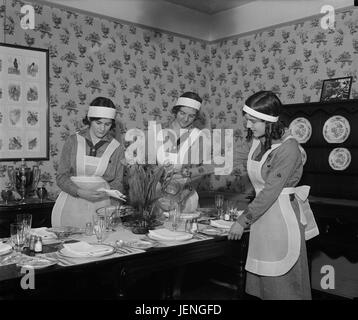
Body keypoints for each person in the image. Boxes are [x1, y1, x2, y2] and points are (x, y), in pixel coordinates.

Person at [228, 91, 319, 300]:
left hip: (281, 219)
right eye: (247, 120)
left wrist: (243, 221)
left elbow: (270, 191)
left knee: (283, 287)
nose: (248, 126)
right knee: (263, 287)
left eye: (253, 121)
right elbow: (228, 161)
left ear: (269, 121)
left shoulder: (289, 148)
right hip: (262, 218)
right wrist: (189, 171)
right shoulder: (258, 140)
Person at [52, 97, 125, 228]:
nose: (102, 128)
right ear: (90, 120)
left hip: (102, 207)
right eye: (98, 123)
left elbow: (117, 183)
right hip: (72, 205)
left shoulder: (117, 148)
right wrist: (80, 192)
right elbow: (61, 177)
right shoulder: (73, 141)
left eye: (107, 124)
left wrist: (113, 208)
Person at [155, 91, 212, 213]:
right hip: (158, 197)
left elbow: (200, 172)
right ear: (175, 111)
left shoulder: (199, 137)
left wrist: (180, 197)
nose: (186, 119)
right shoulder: (159, 132)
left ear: (196, 117)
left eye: (191, 116)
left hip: (185, 198)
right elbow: (151, 168)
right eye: (182, 113)